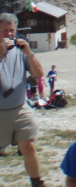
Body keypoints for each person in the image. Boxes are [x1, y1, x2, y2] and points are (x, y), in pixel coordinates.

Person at [0, 12, 48, 187]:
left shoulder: (20, 51)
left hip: (20, 107)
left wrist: (28, 52)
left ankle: (37, 181)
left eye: (11, 31)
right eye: (5, 31)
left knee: (29, 146)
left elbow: (39, 74)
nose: (9, 35)